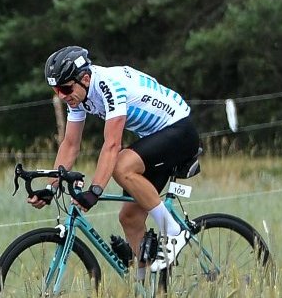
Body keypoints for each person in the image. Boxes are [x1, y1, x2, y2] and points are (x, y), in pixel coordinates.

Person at [33, 46, 199, 271]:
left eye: (65, 88)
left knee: (121, 166)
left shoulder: (109, 86)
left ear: (85, 78)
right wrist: (50, 187)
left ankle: (173, 232)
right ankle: (149, 295)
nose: (62, 96)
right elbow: (71, 145)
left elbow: (112, 145)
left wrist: (95, 191)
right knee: (129, 218)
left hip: (179, 129)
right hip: (154, 138)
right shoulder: (78, 97)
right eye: (56, 91)